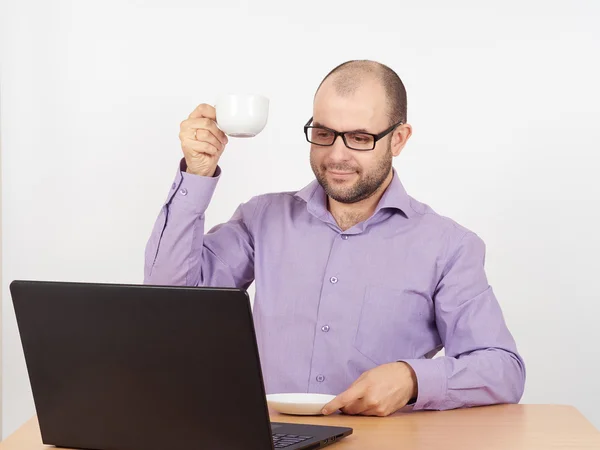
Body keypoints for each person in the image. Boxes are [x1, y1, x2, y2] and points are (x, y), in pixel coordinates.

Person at [144, 60, 525, 417]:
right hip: (269, 437)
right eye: (324, 134)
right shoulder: (262, 219)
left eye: (360, 137)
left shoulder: (448, 246)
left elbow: (503, 369)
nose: (336, 155)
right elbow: (172, 301)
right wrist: (197, 173)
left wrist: (412, 379)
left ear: (399, 139)